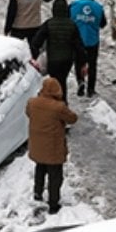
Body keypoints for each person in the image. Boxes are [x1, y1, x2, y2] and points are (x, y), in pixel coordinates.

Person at [26, 77, 78, 214]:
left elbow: (28, 113)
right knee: (55, 176)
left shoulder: (32, 103)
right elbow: (73, 118)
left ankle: (38, 193)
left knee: (40, 169)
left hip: (38, 146)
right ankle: (53, 204)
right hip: (53, 148)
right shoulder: (58, 107)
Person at [30, 0, 86, 103]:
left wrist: (35, 56)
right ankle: (63, 104)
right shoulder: (72, 25)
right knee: (62, 81)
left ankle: (56, 106)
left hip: (53, 60)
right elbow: (79, 46)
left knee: (55, 82)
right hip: (67, 60)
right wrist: (82, 62)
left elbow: (36, 42)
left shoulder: (48, 24)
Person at [70, 0, 107, 97]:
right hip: (92, 41)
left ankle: (80, 82)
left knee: (78, 63)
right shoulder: (98, 7)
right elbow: (103, 24)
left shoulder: (74, 6)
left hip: (78, 41)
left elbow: (68, 20)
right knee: (92, 65)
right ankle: (91, 89)